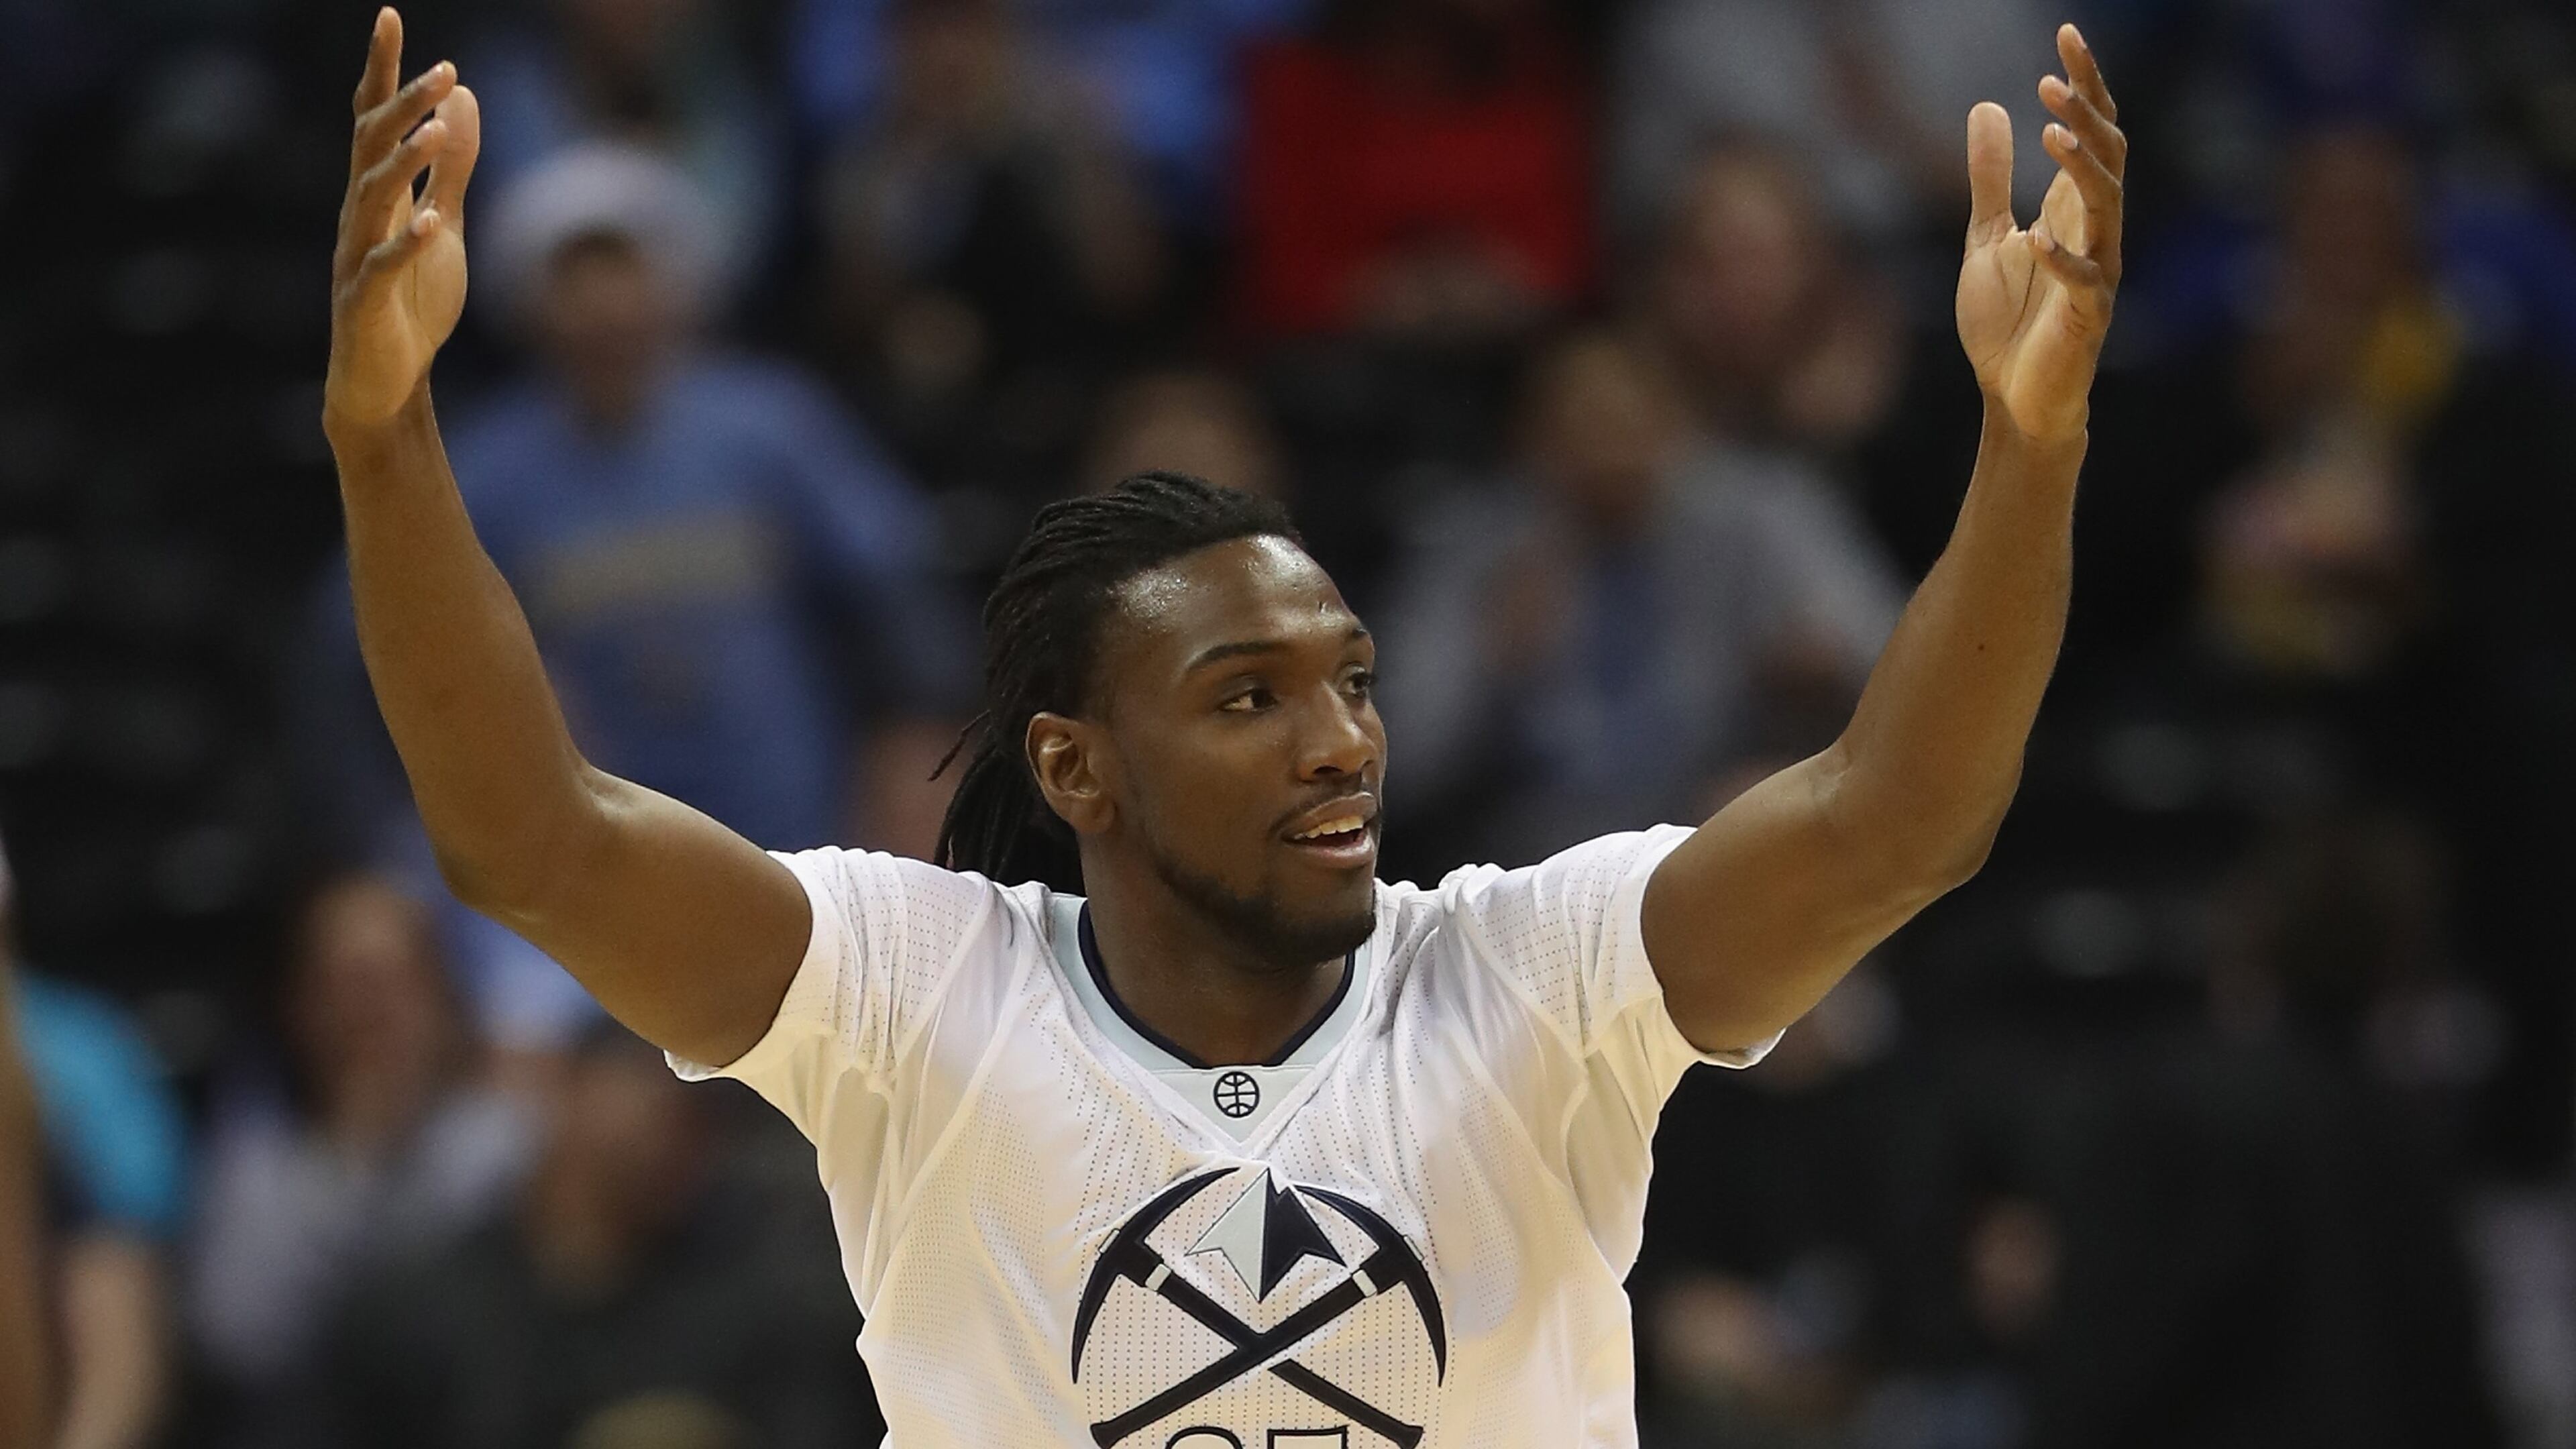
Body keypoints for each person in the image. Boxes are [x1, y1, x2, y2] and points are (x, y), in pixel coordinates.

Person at [319, 8, 2126, 1443]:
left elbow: (1901, 822)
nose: (1338, 741)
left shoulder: (1531, 978)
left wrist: (2030, 450)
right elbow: (528, 841)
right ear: (1074, 769)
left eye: (1351, 680)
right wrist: (388, 439)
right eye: (1248, 699)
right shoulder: (913, 991)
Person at [189, 873, 536, 1409]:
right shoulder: (260, 1167)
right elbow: (239, 1345)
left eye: (397, 983)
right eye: (348, 986)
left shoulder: (515, 1144)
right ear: (299, 1010)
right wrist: (354, 1160)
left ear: (447, 1002)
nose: (375, 1016)